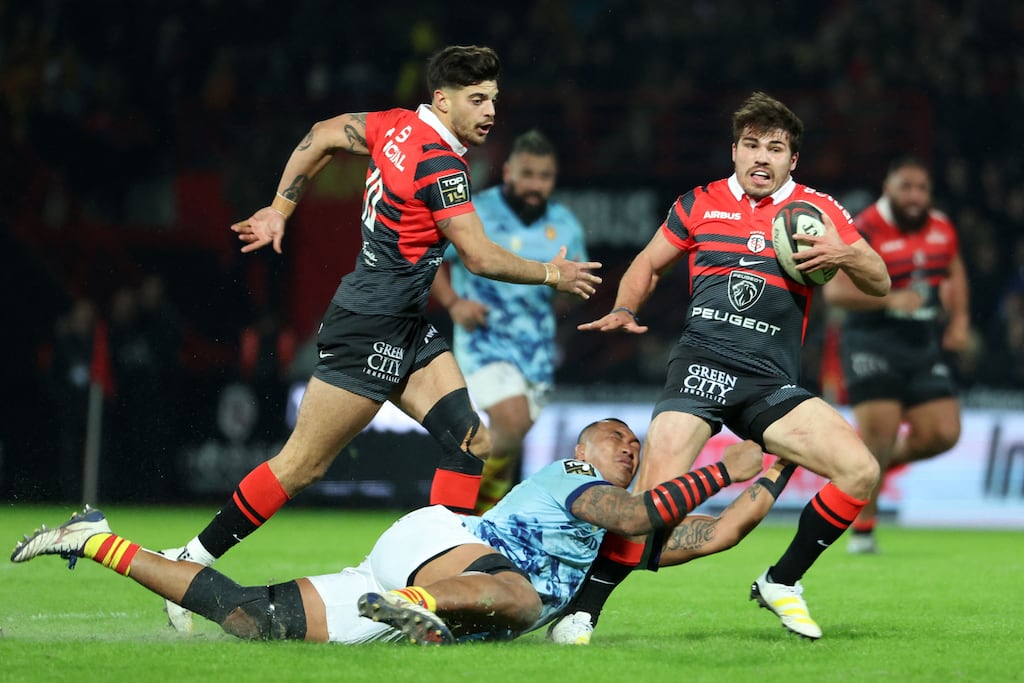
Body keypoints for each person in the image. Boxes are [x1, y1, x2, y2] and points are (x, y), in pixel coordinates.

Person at [160, 45, 602, 632]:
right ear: (443, 100)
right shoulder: (442, 163)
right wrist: (553, 273)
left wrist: (279, 208)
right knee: (302, 465)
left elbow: (320, 134)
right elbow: (476, 255)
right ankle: (190, 560)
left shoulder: (393, 125)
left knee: (470, 441)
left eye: (494, 97)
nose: (491, 110)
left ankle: (443, 578)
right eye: (477, 99)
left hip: (406, 324)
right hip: (367, 327)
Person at [549, 91, 891, 643]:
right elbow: (647, 263)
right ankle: (582, 610)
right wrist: (624, 306)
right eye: (751, 145)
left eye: (775, 148)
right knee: (649, 511)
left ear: (792, 160)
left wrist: (845, 252)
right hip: (700, 367)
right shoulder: (699, 204)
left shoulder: (818, 211)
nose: (762, 158)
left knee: (861, 471)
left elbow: (881, 281)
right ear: (734, 151)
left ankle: (782, 581)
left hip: (771, 381)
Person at [12, 419, 795, 645]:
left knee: (253, 618)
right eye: (613, 436)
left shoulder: (613, 536)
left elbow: (716, 535)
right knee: (521, 597)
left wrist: (776, 470)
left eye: (634, 445)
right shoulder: (572, 482)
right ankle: (422, 603)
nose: (628, 447)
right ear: (578, 450)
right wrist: (725, 466)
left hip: (416, 574)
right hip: (446, 542)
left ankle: (93, 538)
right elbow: (640, 513)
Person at [431, 128, 588, 513]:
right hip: (485, 343)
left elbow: (575, 284)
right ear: (507, 172)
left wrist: (569, 297)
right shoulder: (476, 212)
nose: (536, 184)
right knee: (511, 421)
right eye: (527, 174)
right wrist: (454, 304)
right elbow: (429, 259)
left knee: (508, 439)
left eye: (545, 176)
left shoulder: (564, 224)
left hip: (535, 353)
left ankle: (483, 515)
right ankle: (452, 515)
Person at [824, 157, 969, 554]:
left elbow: (953, 270)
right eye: (906, 186)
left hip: (920, 342)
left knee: (944, 433)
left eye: (922, 188)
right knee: (879, 435)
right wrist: (890, 300)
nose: (915, 196)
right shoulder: (863, 227)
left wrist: (959, 319)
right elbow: (834, 293)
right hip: (870, 341)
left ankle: (864, 470)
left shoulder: (941, 226)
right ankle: (864, 532)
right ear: (888, 188)